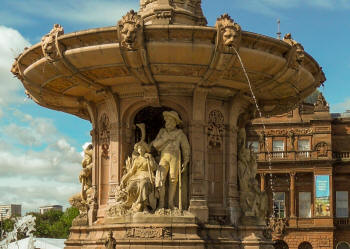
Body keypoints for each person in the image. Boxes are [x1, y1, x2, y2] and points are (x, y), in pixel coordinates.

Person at [151, 111, 190, 209]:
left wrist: (186, 160)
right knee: (160, 179)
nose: (167, 122)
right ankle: (161, 204)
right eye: (166, 120)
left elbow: (185, 148)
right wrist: (166, 139)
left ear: (175, 122)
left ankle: (171, 203)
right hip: (164, 157)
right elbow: (155, 145)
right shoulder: (162, 132)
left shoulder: (179, 134)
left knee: (173, 179)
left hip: (175, 158)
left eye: (170, 120)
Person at [120, 141, 157, 212]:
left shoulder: (149, 157)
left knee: (143, 184)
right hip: (137, 177)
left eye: (142, 148)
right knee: (130, 186)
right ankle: (132, 203)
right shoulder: (136, 160)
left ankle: (144, 205)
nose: (141, 150)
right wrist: (124, 179)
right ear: (137, 150)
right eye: (139, 149)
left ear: (145, 149)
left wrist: (150, 160)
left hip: (147, 176)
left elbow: (154, 168)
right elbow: (131, 171)